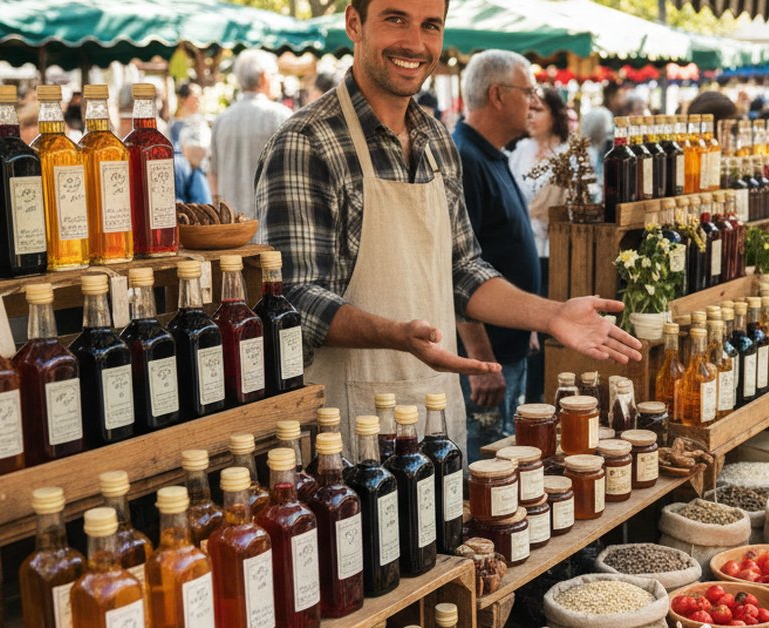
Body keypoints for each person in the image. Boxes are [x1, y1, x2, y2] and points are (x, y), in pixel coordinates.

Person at [254, 0, 641, 453]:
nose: (415, 44)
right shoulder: (305, 142)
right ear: (354, 24)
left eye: (430, 26)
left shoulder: (436, 139)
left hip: (434, 420)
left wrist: (551, 316)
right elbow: (294, 299)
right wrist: (395, 335)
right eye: (395, 19)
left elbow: (463, 270)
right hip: (344, 440)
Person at [452, 50, 543, 455]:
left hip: (508, 349)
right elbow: (453, 268)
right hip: (485, 365)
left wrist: (528, 324)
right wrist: (481, 360)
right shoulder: (465, 160)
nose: (536, 103)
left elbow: (503, 248)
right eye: (529, 92)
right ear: (498, 95)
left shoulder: (492, 155)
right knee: (488, 472)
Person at [509, 87, 571, 405]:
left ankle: (539, 395)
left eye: (540, 110)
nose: (532, 116)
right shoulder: (520, 149)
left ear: (556, 114)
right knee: (522, 321)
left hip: (550, 253)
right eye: (529, 110)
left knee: (546, 325)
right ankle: (525, 395)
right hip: (521, 248)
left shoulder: (568, 154)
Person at [213, 49, 292, 242]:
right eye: (275, 74)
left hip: (231, 233)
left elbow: (212, 175)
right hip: (270, 232)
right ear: (264, 77)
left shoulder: (222, 120)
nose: (278, 80)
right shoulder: (281, 116)